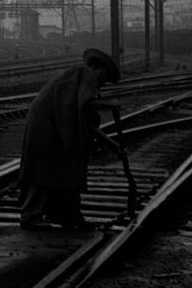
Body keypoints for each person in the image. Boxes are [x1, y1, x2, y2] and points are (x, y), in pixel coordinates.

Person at [17, 47, 124, 230]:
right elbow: (86, 103)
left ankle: (68, 215)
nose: (102, 84)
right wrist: (109, 104)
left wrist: (112, 144)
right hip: (47, 128)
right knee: (44, 171)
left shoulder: (77, 80)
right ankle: (30, 216)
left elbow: (86, 122)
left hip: (50, 125)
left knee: (64, 168)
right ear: (100, 71)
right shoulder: (85, 76)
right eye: (104, 78)